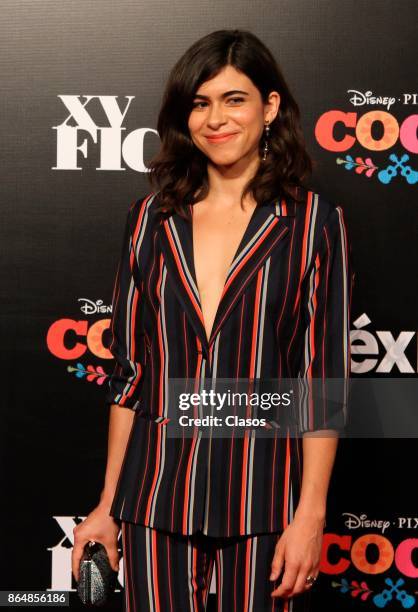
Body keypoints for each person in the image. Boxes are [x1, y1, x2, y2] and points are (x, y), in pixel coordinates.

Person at [72, 29, 353, 611]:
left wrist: (311, 514)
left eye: (233, 99)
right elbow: (130, 377)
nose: (215, 119)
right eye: (200, 103)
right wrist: (106, 505)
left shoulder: (314, 224)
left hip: (264, 500)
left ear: (269, 107)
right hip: (153, 499)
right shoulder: (149, 219)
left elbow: (324, 383)